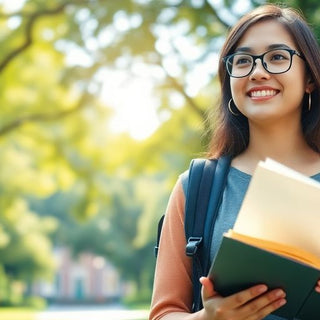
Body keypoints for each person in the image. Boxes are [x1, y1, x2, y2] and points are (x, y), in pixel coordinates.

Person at [149, 4, 320, 320]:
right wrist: (208, 318)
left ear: (309, 77)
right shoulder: (196, 186)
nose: (257, 71)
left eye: (278, 57)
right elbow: (163, 313)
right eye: (242, 61)